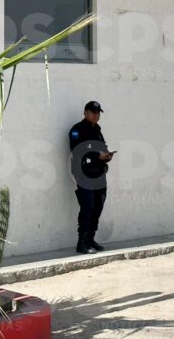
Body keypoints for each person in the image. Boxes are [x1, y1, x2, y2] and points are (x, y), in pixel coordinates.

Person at [68, 101, 114, 255]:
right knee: (87, 207)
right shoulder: (77, 130)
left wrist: (106, 155)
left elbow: (102, 147)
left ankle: (90, 239)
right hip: (84, 174)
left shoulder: (98, 130)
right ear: (85, 113)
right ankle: (81, 243)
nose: (96, 115)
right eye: (93, 112)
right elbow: (77, 149)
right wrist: (96, 155)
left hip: (99, 174)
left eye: (98, 112)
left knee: (97, 207)